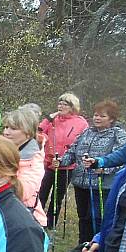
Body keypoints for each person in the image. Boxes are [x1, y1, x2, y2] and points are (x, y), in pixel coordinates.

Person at [58, 99, 126, 252]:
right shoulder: (87, 132)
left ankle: (98, 249)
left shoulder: (118, 134)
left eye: (102, 116)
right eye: (96, 115)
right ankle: (83, 244)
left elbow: (121, 157)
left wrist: (104, 168)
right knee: (83, 216)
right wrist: (61, 161)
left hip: (103, 183)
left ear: (111, 118)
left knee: (98, 216)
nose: (97, 118)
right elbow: (73, 150)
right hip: (81, 181)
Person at [37, 92, 88, 229]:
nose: (61, 106)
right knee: (41, 193)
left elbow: (83, 143)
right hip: (48, 164)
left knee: (56, 198)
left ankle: (50, 224)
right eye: (59, 103)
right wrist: (48, 119)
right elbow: (38, 132)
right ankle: (36, 221)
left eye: (65, 104)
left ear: (72, 107)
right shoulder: (53, 120)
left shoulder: (81, 123)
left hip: (66, 167)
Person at [2, 108, 47, 227]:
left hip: (27, 219)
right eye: (6, 127)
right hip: (6, 214)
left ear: (28, 132)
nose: (6, 132)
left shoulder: (34, 160)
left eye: (13, 128)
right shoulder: (7, 150)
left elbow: (23, 191)